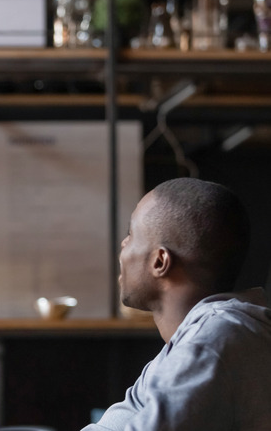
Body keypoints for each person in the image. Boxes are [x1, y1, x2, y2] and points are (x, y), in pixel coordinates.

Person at [83, 177, 271, 430]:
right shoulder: (187, 343)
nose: (123, 245)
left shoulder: (215, 340)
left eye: (132, 234)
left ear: (160, 262)